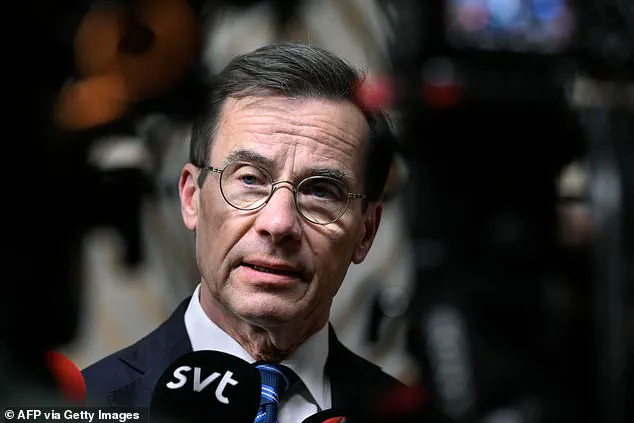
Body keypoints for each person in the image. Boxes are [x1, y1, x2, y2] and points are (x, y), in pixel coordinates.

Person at [83, 41, 402, 421]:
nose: (278, 224)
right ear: (191, 198)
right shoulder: (83, 405)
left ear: (366, 231)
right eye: (250, 179)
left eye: (320, 191)